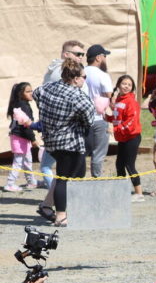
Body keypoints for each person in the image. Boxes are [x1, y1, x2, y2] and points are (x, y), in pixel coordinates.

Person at [32, 59, 92, 228]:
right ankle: (60, 216)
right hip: (70, 143)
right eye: (83, 77)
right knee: (64, 178)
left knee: (69, 175)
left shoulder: (47, 88)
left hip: (51, 140)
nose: (84, 80)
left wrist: (48, 117)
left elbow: (36, 93)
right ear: (75, 78)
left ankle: (47, 206)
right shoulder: (77, 96)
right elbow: (88, 118)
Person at [37, 40, 86, 196]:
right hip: (66, 132)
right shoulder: (61, 73)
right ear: (66, 55)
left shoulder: (56, 71)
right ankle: (58, 201)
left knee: (59, 169)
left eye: (83, 54)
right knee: (68, 172)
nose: (81, 57)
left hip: (58, 130)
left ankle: (51, 202)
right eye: (78, 54)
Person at [105, 74, 144, 201]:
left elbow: (131, 122)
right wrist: (108, 117)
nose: (126, 86)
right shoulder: (119, 101)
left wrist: (114, 128)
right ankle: (121, 191)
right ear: (118, 85)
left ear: (132, 88)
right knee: (119, 165)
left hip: (132, 137)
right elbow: (118, 118)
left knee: (129, 165)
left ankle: (139, 194)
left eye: (129, 85)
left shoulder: (131, 102)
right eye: (124, 84)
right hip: (122, 138)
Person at [82, 45, 113, 177]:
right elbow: (108, 95)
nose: (105, 59)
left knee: (81, 152)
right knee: (98, 152)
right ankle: (96, 179)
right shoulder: (102, 75)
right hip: (99, 118)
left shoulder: (80, 72)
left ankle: (78, 178)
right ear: (98, 58)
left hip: (81, 119)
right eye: (104, 56)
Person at [5, 82, 40, 193]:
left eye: (31, 90)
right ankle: (10, 184)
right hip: (19, 138)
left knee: (27, 160)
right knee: (18, 161)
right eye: (28, 91)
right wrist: (33, 139)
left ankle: (31, 181)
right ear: (21, 94)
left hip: (22, 138)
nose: (31, 93)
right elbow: (26, 126)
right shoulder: (23, 106)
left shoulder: (21, 104)